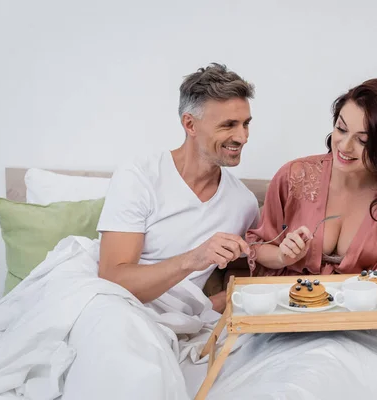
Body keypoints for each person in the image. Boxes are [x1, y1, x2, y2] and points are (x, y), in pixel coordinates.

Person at [97, 62, 259, 313]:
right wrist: (195, 258)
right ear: (190, 125)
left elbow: (257, 263)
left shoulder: (243, 204)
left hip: (175, 322)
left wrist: (214, 304)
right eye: (228, 125)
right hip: (114, 309)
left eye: (245, 124)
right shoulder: (140, 176)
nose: (242, 137)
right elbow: (112, 281)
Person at [246, 78, 377, 277]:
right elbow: (257, 246)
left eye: (363, 140)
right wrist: (282, 256)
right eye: (341, 129)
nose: (344, 146)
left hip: (358, 308)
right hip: (285, 302)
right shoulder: (294, 176)